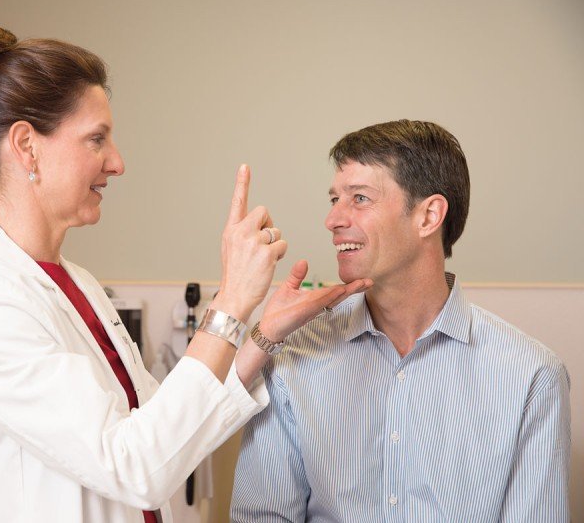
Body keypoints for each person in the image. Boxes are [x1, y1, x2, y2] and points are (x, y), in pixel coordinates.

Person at [0, 20, 371, 523]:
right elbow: (137, 466)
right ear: (27, 146)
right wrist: (231, 302)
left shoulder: (76, 285)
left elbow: (166, 428)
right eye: (96, 140)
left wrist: (262, 335)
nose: (117, 162)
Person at [231, 120, 570, 522]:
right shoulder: (292, 354)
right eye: (334, 199)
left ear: (429, 216)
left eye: (359, 198)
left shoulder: (531, 376)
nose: (333, 220)